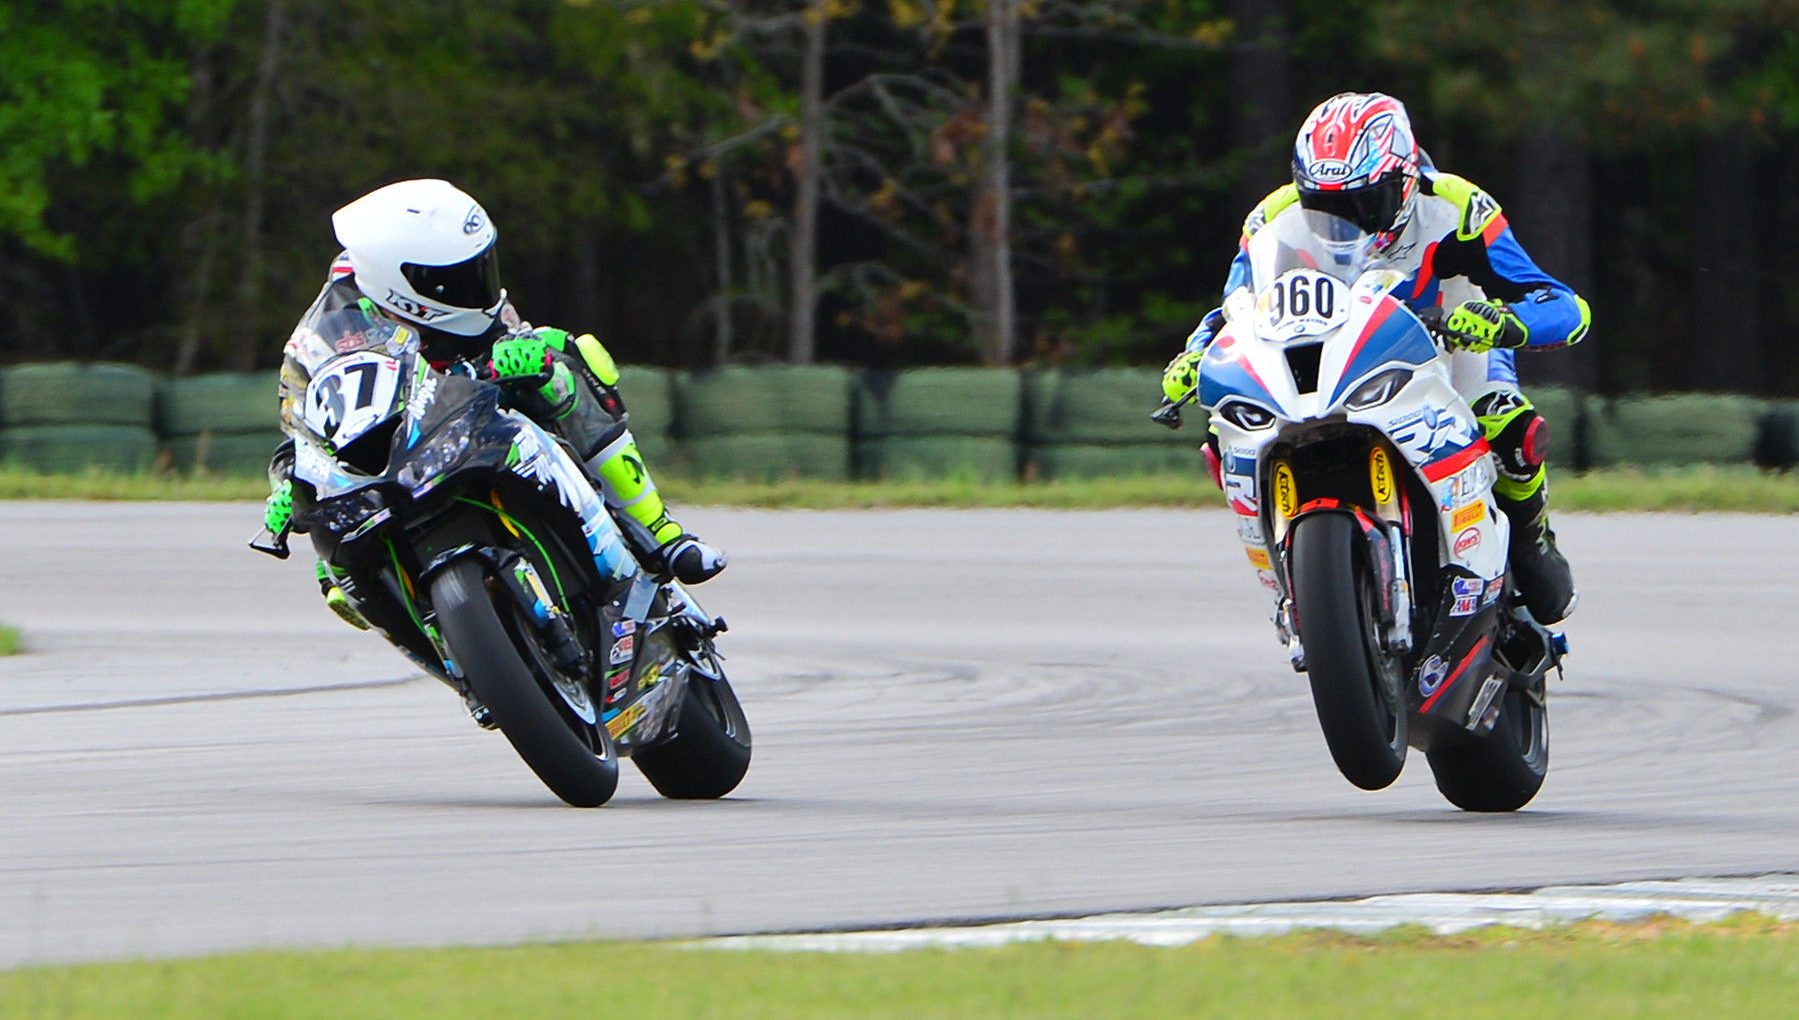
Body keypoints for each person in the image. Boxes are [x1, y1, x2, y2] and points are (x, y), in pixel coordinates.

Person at [1159, 92, 1586, 625]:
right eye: (1327, 206)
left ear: (1405, 181)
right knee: (1227, 433)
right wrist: (1193, 357)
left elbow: (1562, 303)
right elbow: (1231, 309)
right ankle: (1294, 585)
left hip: (1450, 346)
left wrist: (1502, 321)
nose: (1347, 222)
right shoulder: (1270, 220)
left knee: (1508, 427)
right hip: (1333, 356)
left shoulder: (1457, 206)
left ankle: (1529, 539)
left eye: (1365, 202)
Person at [263, 178, 725, 630]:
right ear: (403, 285)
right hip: (397, 461)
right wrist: (289, 482)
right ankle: (444, 645)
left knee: (572, 362)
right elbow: (300, 424)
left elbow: (516, 337)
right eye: (457, 279)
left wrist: (528, 357)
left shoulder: (473, 312)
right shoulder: (325, 333)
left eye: (480, 267)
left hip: (479, 422)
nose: (478, 286)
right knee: (334, 571)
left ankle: (660, 532)